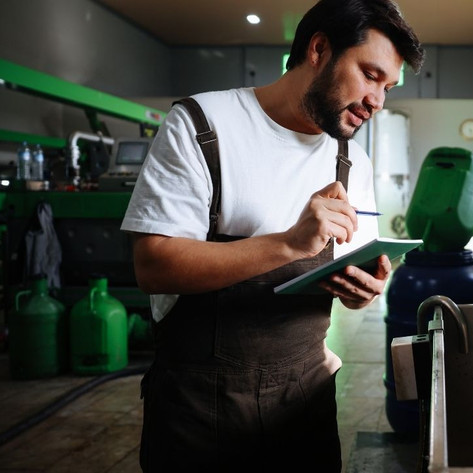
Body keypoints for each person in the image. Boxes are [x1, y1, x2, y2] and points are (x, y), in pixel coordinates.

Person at [120, 0, 424, 470]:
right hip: (199, 411)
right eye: (370, 74)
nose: (379, 101)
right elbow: (153, 265)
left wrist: (364, 290)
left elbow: (358, 268)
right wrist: (288, 243)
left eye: (388, 87)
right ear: (319, 49)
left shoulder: (352, 162)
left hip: (305, 403)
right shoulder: (204, 127)